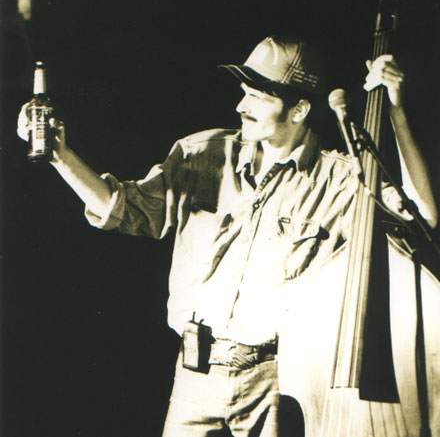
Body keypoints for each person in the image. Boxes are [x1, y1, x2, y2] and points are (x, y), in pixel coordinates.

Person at [17, 34, 437, 436]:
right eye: (243, 92)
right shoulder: (201, 154)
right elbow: (122, 207)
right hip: (194, 375)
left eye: (258, 96)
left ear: (299, 109)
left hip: (275, 383)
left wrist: (396, 113)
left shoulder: (339, 179)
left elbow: (422, 214)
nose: (241, 105)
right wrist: (60, 156)